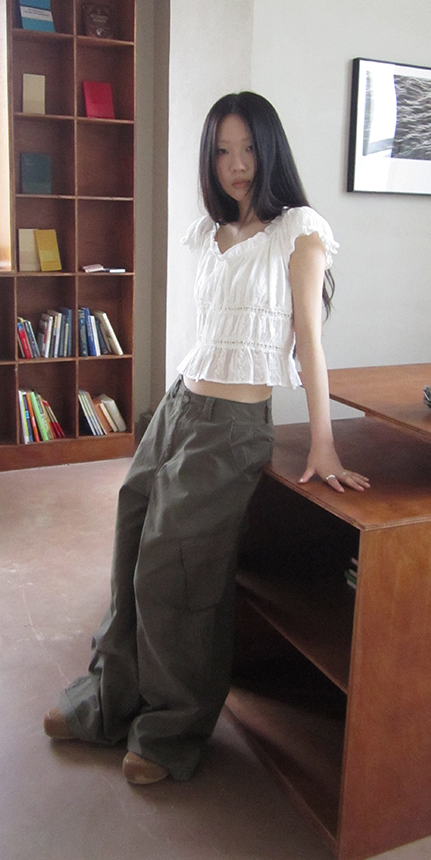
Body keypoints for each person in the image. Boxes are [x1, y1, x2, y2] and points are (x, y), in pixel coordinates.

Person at [43, 91, 370, 784]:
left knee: (176, 570)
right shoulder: (211, 234)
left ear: (270, 149)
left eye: (248, 148)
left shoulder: (299, 231)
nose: (237, 164)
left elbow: (309, 343)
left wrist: (324, 442)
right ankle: (108, 701)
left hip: (232, 427)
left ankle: (171, 730)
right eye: (222, 151)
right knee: (131, 544)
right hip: (180, 407)